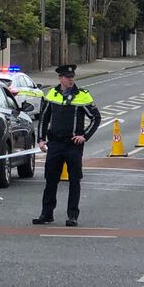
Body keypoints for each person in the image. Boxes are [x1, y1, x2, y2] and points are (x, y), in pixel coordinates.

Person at [33, 64, 101, 227]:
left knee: (74, 181)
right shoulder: (52, 94)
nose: (71, 80)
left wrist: (84, 136)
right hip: (55, 143)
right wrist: (41, 139)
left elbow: (96, 118)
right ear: (60, 78)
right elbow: (44, 118)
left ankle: (72, 216)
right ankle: (46, 214)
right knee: (51, 179)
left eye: (72, 78)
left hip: (73, 146)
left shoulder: (82, 96)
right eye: (68, 77)